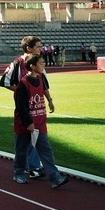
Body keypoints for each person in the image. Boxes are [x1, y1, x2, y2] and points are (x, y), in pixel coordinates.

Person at [12, 54, 69, 189]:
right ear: (32, 66)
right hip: (25, 124)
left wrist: (50, 100)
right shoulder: (23, 84)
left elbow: (43, 90)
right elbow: (21, 106)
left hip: (40, 122)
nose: (44, 65)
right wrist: (28, 123)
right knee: (22, 150)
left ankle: (55, 177)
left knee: (45, 150)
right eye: (41, 63)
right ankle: (19, 173)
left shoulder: (41, 77)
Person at [0, 35, 49, 178]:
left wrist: (49, 99)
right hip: (24, 106)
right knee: (24, 137)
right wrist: (22, 91)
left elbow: (44, 84)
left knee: (35, 135)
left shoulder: (39, 64)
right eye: (38, 46)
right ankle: (26, 168)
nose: (41, 49)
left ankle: (33, 166)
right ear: (29, 48)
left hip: (37, 105)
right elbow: (5, 81)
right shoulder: (17, 63)